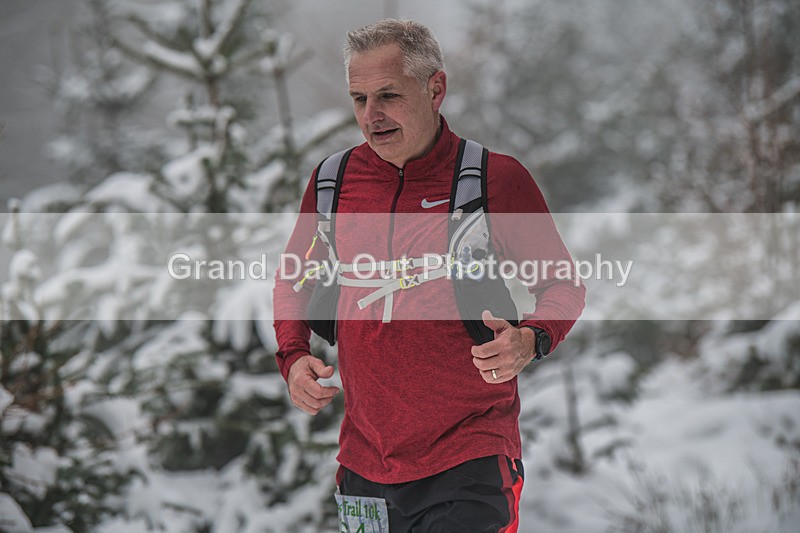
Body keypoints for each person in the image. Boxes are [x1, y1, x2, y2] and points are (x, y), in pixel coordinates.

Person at [273, 19, 585, 531]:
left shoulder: (493, 180)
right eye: (359, 99)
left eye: (389, 95)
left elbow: (562, 284)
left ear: (435, 88)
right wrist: (294, 356)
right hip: (364, 464)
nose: (371, 116)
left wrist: (531, 339)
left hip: (471, 456)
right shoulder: (331, 184)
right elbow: (295, 278)